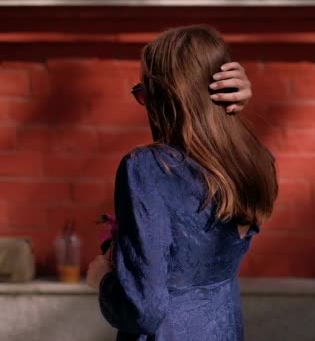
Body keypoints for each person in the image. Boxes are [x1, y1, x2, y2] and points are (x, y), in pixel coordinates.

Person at [85, 25, 278, 341]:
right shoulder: (256, 161)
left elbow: (143, 311)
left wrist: (104, 279)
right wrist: (230, 113)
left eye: (144, 93)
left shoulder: (148, 168)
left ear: (166, 99)